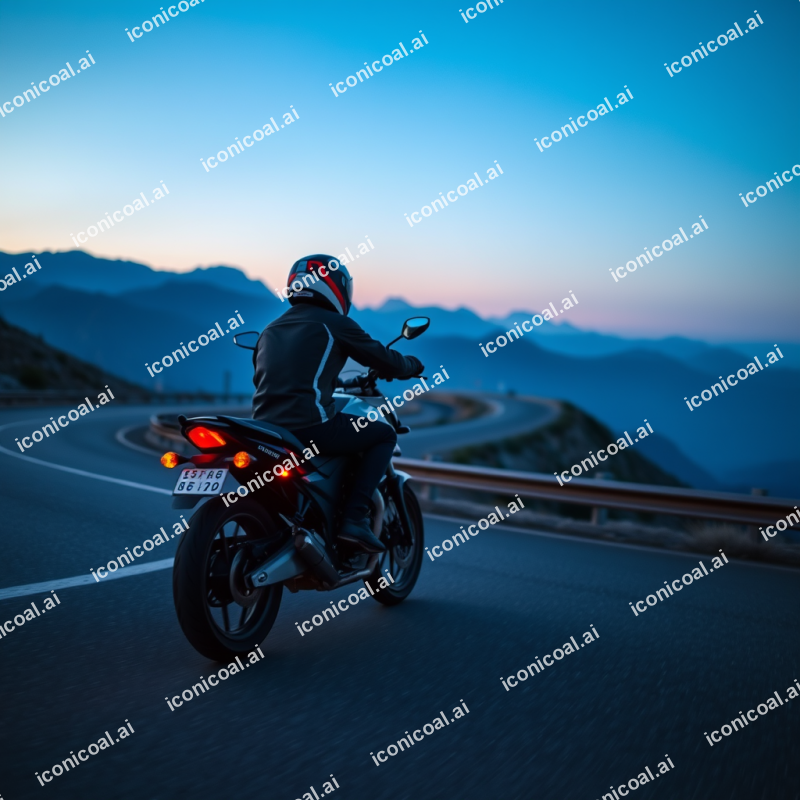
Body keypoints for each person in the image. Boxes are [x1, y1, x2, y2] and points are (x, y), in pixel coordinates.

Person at [252, 254, 423, 553]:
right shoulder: (335, 323)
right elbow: (384, 359)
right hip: (309, 426)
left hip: (263, 429)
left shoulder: (270, 328)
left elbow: (272, 379)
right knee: (383, 434)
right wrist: (411, 365)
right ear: (335, 286)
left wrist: (334, 384)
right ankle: (353, 520)